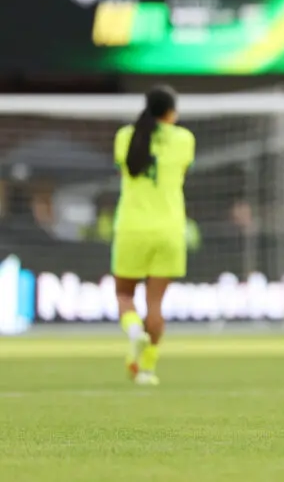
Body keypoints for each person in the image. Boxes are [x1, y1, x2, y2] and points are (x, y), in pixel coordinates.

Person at [112, 86, 195, 386]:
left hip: (132, 227)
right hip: (170, 229)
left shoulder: (125, 137)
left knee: (123, 294)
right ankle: (146, 370)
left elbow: (128, 168)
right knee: (156, 305)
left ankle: (134, 332)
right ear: (171, 111)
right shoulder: (185, 139)